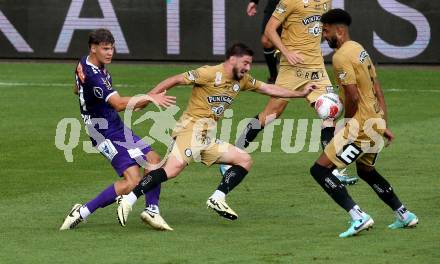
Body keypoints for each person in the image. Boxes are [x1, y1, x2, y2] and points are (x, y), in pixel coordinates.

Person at [116, 43, 316, 226]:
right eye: (245, 62)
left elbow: (269, 88)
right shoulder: (209, 73)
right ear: (232, 59)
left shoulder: (242, 80)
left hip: (205, 138)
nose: (248, 68)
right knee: (172, 170)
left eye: (250, 64)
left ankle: (218, 197)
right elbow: (175, 79)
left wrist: (301, 93)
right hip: (190, 130)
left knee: (244, 159)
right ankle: (129, 198)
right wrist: (149, 97)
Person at [222, 0, 359, 185]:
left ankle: (331, 169)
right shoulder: (289, 1)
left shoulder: (326, 1)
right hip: (291, 68)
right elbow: (270, 30)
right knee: (270, 115)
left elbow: (321, 29)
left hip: (316, 67)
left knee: (329, 114)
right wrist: (286, 52)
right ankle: (232, 156)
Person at [310, 9, 418, 238]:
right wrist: (383, 123)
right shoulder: (360, 49)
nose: (324, 36)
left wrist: (346, 124)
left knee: (320, 170)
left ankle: (358, 216)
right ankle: (404, 214)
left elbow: (352, 96)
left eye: (326, 31)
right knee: (366, 171)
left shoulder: (340, 57)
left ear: (339, 31)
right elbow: (376, 88)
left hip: (360, 126)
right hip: (374, 122)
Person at [59, 29, 176, 231]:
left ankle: (151, 210)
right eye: (105, 48)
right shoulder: (95, 76)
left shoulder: (84, 63)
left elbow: (76, 88)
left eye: (112, 48)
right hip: (103, 133)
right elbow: (120, 104)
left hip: (115, 126)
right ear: (93, 48)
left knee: (153, 160)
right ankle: (81, 212)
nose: (110, 52)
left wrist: (147, 98)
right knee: (132, 181)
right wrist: (149, 98)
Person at [246, 0, 280, 83]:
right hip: (275, 5)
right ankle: (274, 76)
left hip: (297, 4)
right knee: (266, 41)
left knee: (294, 39)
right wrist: (254, 1)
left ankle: (302, 75)